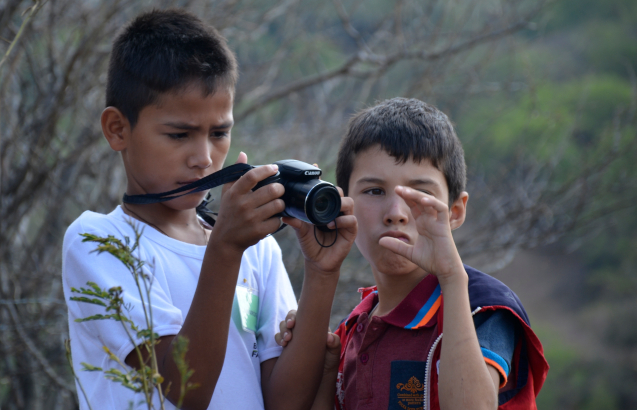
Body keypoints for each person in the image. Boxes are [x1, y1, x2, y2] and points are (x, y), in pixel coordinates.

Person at [62, 9, 357, 410]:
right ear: (117, 129)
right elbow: (186, 391)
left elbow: (287, 402)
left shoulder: (258, 251)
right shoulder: (99, 242)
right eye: (179, 134)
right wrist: (225, 248)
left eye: (219, 133)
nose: (203, 158)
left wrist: (322, 273)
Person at [276, 98, 548, 410]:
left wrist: (451, 277)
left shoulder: (482, 308)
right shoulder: (352, 329)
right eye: (375, 191)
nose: (396, 213)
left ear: (456, 211)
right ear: (343, 206)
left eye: (419, 195)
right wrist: (325, 371)